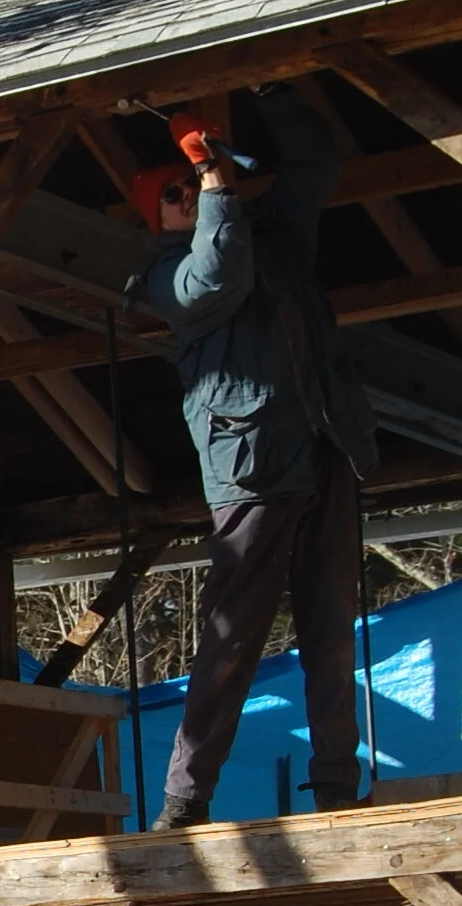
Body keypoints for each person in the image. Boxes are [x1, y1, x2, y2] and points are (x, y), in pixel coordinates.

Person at [130, 89, 378, 832]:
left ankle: (336, 783)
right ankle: (185, 799)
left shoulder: (272, 239)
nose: (187, 193)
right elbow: (219, 272)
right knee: (233, 632)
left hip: (323, 443)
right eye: (170, 194)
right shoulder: (164, 278)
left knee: (332, 625)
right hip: (252, 466)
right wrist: (212, 180)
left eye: (187, 183)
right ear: (159, 217)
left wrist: (270, 85)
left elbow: (316, 162)